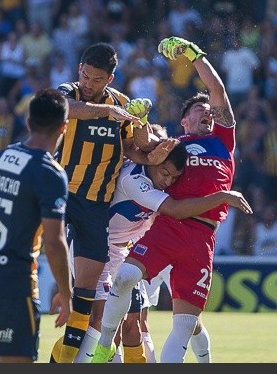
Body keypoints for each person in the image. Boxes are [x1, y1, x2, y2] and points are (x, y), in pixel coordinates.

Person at [91, 35, 239, 363]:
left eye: (210, 111)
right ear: (184, 122)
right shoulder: (174, 145)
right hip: (167, 226)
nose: (208, 113)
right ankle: (104, 347)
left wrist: (194, 54)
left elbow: (218, 90)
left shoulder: (223, 141)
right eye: (200, 111)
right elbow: (145, 143)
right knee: (128, 281)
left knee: (186, 325)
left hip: (202, 236)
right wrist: (140, 119)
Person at [51, 42, 164, 363]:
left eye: (96, 80)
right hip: (61, 194)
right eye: (85, 76)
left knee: (87, 300)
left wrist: (144, 127)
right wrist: (107, 111)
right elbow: (64, 108)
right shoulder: (68, 92)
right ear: (79, 70)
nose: (88, 84)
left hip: (96, 207)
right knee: (20, 241)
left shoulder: (123, 106)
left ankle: (69, 355)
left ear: (110, 79)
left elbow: (134, 147)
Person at [0, 88, 73, 363]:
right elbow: (55, 240)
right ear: (64, 127)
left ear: (27, 123)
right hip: (14, 280)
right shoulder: (50, 172)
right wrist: (66, 292)